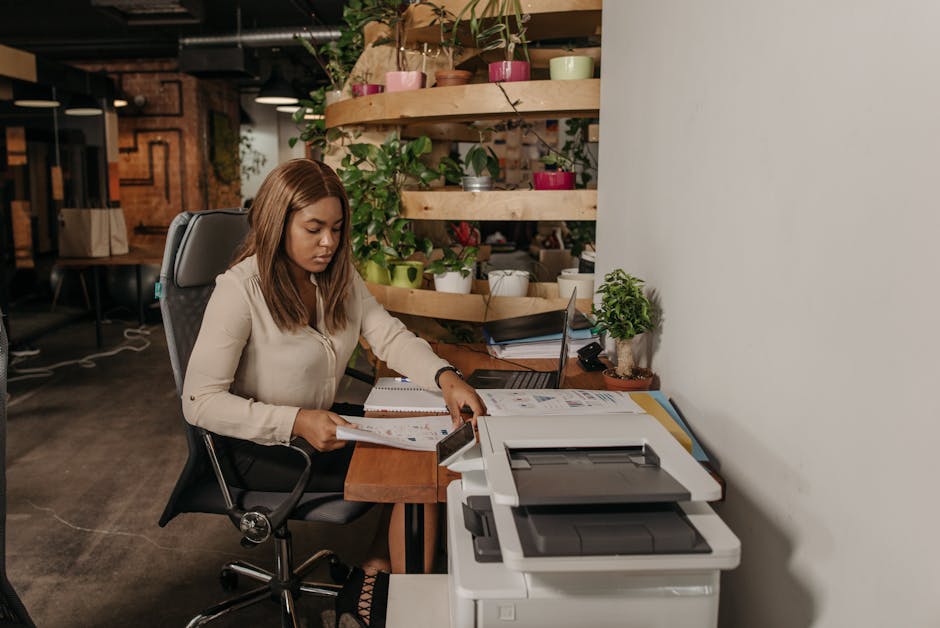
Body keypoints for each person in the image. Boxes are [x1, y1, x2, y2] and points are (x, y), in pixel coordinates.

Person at [182, 158, 486, 573]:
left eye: (337, 228)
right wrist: (297, 420)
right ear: (277, 223)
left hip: (320, 424)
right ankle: (398, 588)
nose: (329, 242)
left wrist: (445, 377)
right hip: (259, 445)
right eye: (314, 229)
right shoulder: (239, 290)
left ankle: (378, 570)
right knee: (412, 471)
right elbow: (199, 402)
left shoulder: (337, 276)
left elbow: (389, 336)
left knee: (429, 448)